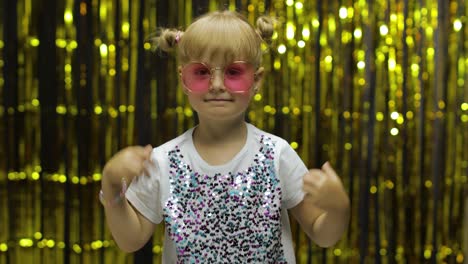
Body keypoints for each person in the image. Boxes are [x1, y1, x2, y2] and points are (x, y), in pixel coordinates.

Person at [100, 10, 350, 263]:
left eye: (233, 72)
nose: (217, 84)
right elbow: (130, 240)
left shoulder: (276, 154)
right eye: (201, 72)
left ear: (257, 80)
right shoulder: (163, 161)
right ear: (182, 79)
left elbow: (323, 234)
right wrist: (112, 188)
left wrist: (338, 208)